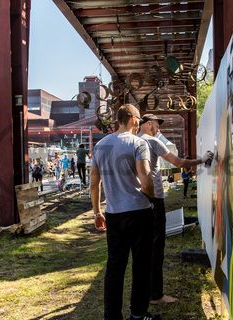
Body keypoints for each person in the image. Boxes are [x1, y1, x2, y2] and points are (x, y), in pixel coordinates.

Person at [90, 104, 160, 320]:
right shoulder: (138, 143)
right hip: (139, 212)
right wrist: (151, 200)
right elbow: (147, 181)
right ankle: (138, 314)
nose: (139, 122)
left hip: (113, 213)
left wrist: (96, 212)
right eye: (138, 118)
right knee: (141, 265)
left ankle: (112, 316)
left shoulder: (100, 145)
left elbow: (94, 183)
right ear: (131, 118)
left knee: (115, 266)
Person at [138, 113, 214, 305]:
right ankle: (156, 295)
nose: (159, 128)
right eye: (156, 124)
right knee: (157, 247)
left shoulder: (132, 141)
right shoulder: (152, 142)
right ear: (147, 124)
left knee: (143, 248)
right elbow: (178, 162)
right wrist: (202, 159)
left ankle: (145, 291)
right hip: (154, 199)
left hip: (138, 202)